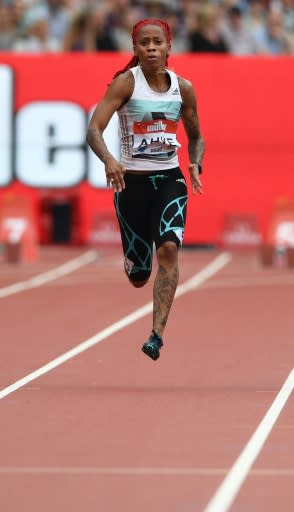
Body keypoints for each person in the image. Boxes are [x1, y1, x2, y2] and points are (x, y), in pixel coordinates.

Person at [85, 18, 205, 361]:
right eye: (144, 43)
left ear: (169, 47)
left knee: (168, 249)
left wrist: (196, 163)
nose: (151, 48)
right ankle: (134, 261)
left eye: (157, 42)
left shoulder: (184, 88)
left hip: (170, 180)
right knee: (139, 275)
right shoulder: (125, 84)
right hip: (131, 184)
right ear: (134, 48)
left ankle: (156, 335)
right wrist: (109, 159)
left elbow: (196, 135)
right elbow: (94, 128)